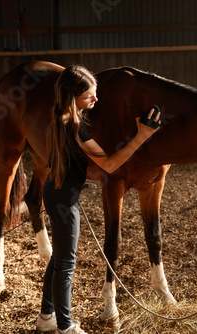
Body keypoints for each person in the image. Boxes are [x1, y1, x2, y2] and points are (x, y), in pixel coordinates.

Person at [36, 65, 161, 334]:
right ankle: (65, 326)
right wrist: (141, 136)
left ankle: (46, 316)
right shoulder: (77, 128)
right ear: (73, 97)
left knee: (58, 258)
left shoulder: (59, 116)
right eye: (89, 96)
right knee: (66, 265)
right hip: (63, 200)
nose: (96, 100)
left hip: (55, 190)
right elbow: (110, 164)